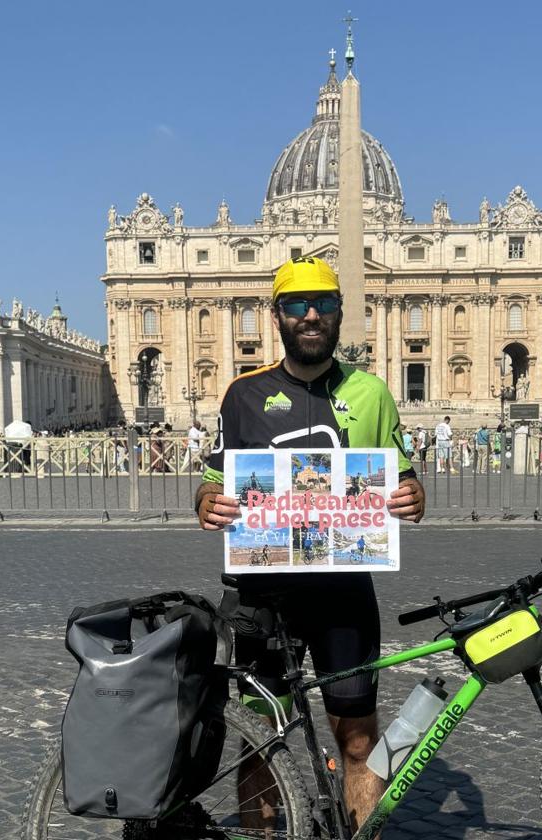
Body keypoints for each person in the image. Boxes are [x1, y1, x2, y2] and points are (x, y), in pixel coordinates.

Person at [196, 255, 425, 832]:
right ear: (278, 316)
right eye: (297, 305)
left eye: (323, 303)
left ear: (340, 313)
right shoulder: (242, 395)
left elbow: (401, 473)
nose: (311, 315)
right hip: (260, 596)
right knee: (258, 744)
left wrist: (412, 494)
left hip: (342, 593)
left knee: (357, 739)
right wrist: (206, 502)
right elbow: (215, 480)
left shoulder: (372, 394)